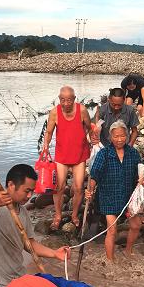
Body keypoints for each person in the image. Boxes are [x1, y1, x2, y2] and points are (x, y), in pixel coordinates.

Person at [0, 164, 69, 284]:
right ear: (11, 185)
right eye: (27, 191)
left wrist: (55, 253)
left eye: (32, 191)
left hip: (16, 277)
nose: (29, 196)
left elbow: (29, 243)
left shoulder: (23, 212)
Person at [86, 121, 144, 260]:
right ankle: (110, 261)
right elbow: (94, 175)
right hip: (109, 196)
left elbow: (141, 170)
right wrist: (89, 190)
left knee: (136, 226)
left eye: (122, 136)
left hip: (128, 196)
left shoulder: (133, 153)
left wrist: (143, 178)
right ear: (110, 137)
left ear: (127, 135)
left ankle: (128, 250)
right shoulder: (104, 154)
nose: (119, 139)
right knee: (112, 230)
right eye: (116, 136)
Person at [43, 86, 93, 230]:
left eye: (69, 100)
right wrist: (46, 146)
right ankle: (58, 215)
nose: (66, 103)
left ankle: (75, 215)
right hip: (62, 155)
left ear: (74, 99)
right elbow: (49, 132)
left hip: (79, 154)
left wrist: (90, 140)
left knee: (78, 188)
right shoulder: (54, 112)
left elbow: (89, 127)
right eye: (63, 100)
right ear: (59, 99)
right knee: (59, 187)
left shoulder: (82, 110)